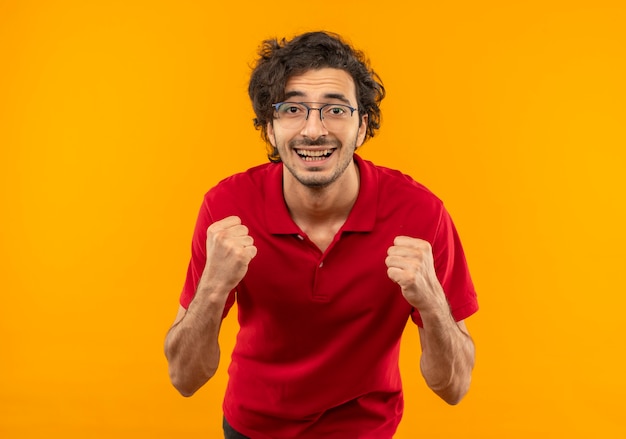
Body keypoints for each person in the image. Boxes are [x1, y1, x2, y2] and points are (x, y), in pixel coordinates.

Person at [164, 31, 478, 439]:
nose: (313, 130)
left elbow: (454, 387)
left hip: (366, 432)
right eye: (292, 109)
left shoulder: (421, 214)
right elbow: (184, 378)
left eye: (335, 110)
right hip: (252, 429)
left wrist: (433, 303)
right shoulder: (226, 208)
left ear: (362, 126)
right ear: (270, 129)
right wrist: (212, 289)